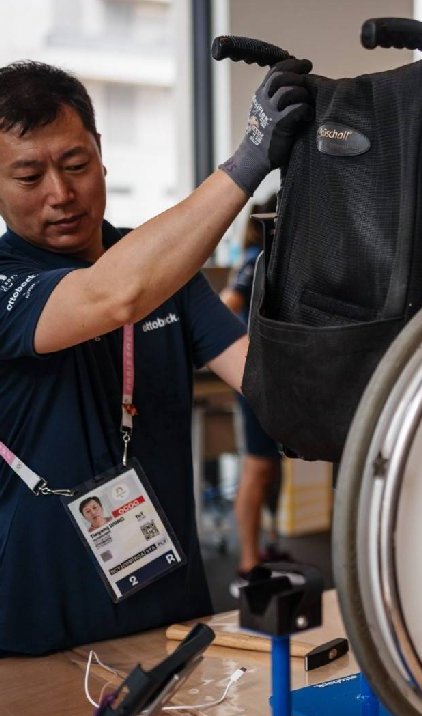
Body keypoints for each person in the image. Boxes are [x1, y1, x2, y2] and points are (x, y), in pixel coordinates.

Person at [0, 59, 312, 655]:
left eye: (75, 165)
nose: (61, 195)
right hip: (36, 632)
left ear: (100, 153)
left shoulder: (164, 274)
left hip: (170, 621)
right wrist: (250, 160)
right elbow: (111, 295)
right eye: (28, 176)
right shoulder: (9, 283)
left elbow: (264, 379)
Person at [219, 195, 288, 595]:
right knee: (257, 468)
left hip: (281, 381)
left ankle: (264, 552)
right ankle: (247, 562)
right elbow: (229, 302)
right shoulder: (255, 259)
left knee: (271, 469)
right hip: (254, 380)